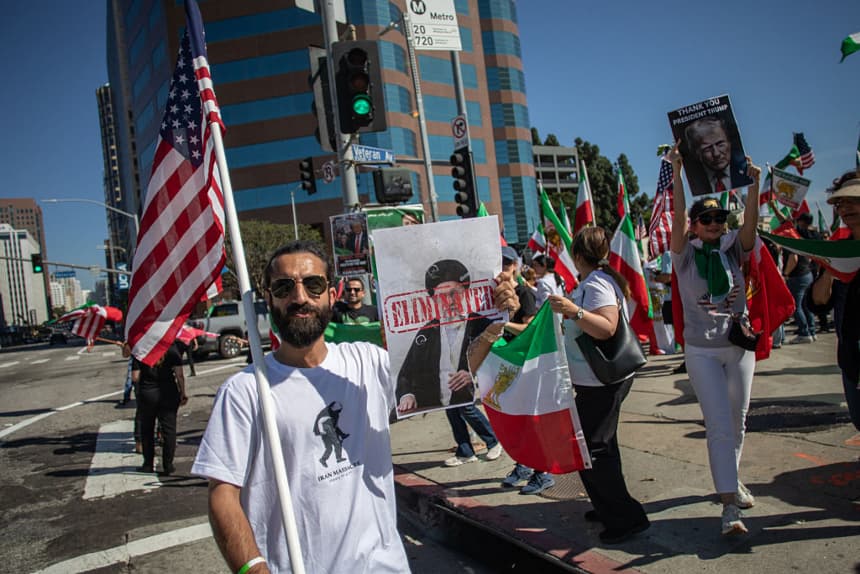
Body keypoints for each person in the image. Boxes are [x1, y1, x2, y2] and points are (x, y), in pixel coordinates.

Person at [191, 239, 521, 573]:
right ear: (269, 299)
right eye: (284, 287)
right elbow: (222, 493)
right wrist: (253, 568)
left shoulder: (367, 363)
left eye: (313, 284)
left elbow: (447, 382)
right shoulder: (244, 391)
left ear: (331, 296)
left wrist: (494, 323)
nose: (300, 297)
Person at [668, 141, 761, 536]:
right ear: (694, 224)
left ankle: (732, 479)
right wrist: (676, 172)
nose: (713, 224)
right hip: (702, 351)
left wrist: (754, 185)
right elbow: (675, 219)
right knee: (720, 425)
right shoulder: (685, 254)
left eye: (719, 218)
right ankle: (728, 509)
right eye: (705, 219)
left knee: (737, 424)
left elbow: (751, 227)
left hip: (738, 347)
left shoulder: (730, 250)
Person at [546, 226, 651, 544]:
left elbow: (606, 328)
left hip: (602, 382)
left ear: (578, 256)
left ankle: (626, 518)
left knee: (594, 450)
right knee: (597, 448)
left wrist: (573, 311)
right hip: (595, 381)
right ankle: (608, 508)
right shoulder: (597, 281)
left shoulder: (597, 284)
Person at [395, 259, 504, 466]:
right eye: (443, 296)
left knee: (467, 409)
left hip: (471, 386)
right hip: (442, 392)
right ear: (434, 300)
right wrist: (407, 394)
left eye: (454, 293)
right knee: (453, 414)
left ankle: (493, 441)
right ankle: (465, 451)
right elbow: (407, 370)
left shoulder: (480, 323)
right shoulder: (428, 330)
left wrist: (471, 370)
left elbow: (498, 348)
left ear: (465, 292)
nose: (450, 300)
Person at [497, 246, 555, 494]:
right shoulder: (497, 295)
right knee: (517, 419)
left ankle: (543, 473)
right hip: (508, 363)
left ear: (515, 267)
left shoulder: (525, 294)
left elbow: (530, 330)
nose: (502, 270)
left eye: (506, 265)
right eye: (498, 265)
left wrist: (501, 326)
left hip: (526, 364)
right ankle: (524, 465)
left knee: (531, 420)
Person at [810, 171, 860, 432]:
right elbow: (819, 301)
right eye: (841, 203)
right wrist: (832, 268)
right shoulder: (836, 250)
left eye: (852, 200)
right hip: (851, 354)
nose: (845, 208)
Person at [132, 342, 187, 475]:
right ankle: (168, 465)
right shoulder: (172, 348)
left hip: (148, 393)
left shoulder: (141, 349)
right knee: (169, 429)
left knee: (147, 430)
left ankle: (148, 464)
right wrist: (183, 392)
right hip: (168, 391)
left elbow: (135, 377)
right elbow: (179, 374)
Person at [684, 116, 749, 195]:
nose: (716, 154)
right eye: (707, 149)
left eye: (720, 144)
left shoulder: (746, 173)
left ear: (729, 142)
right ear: (696, 153)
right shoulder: (695, 182)